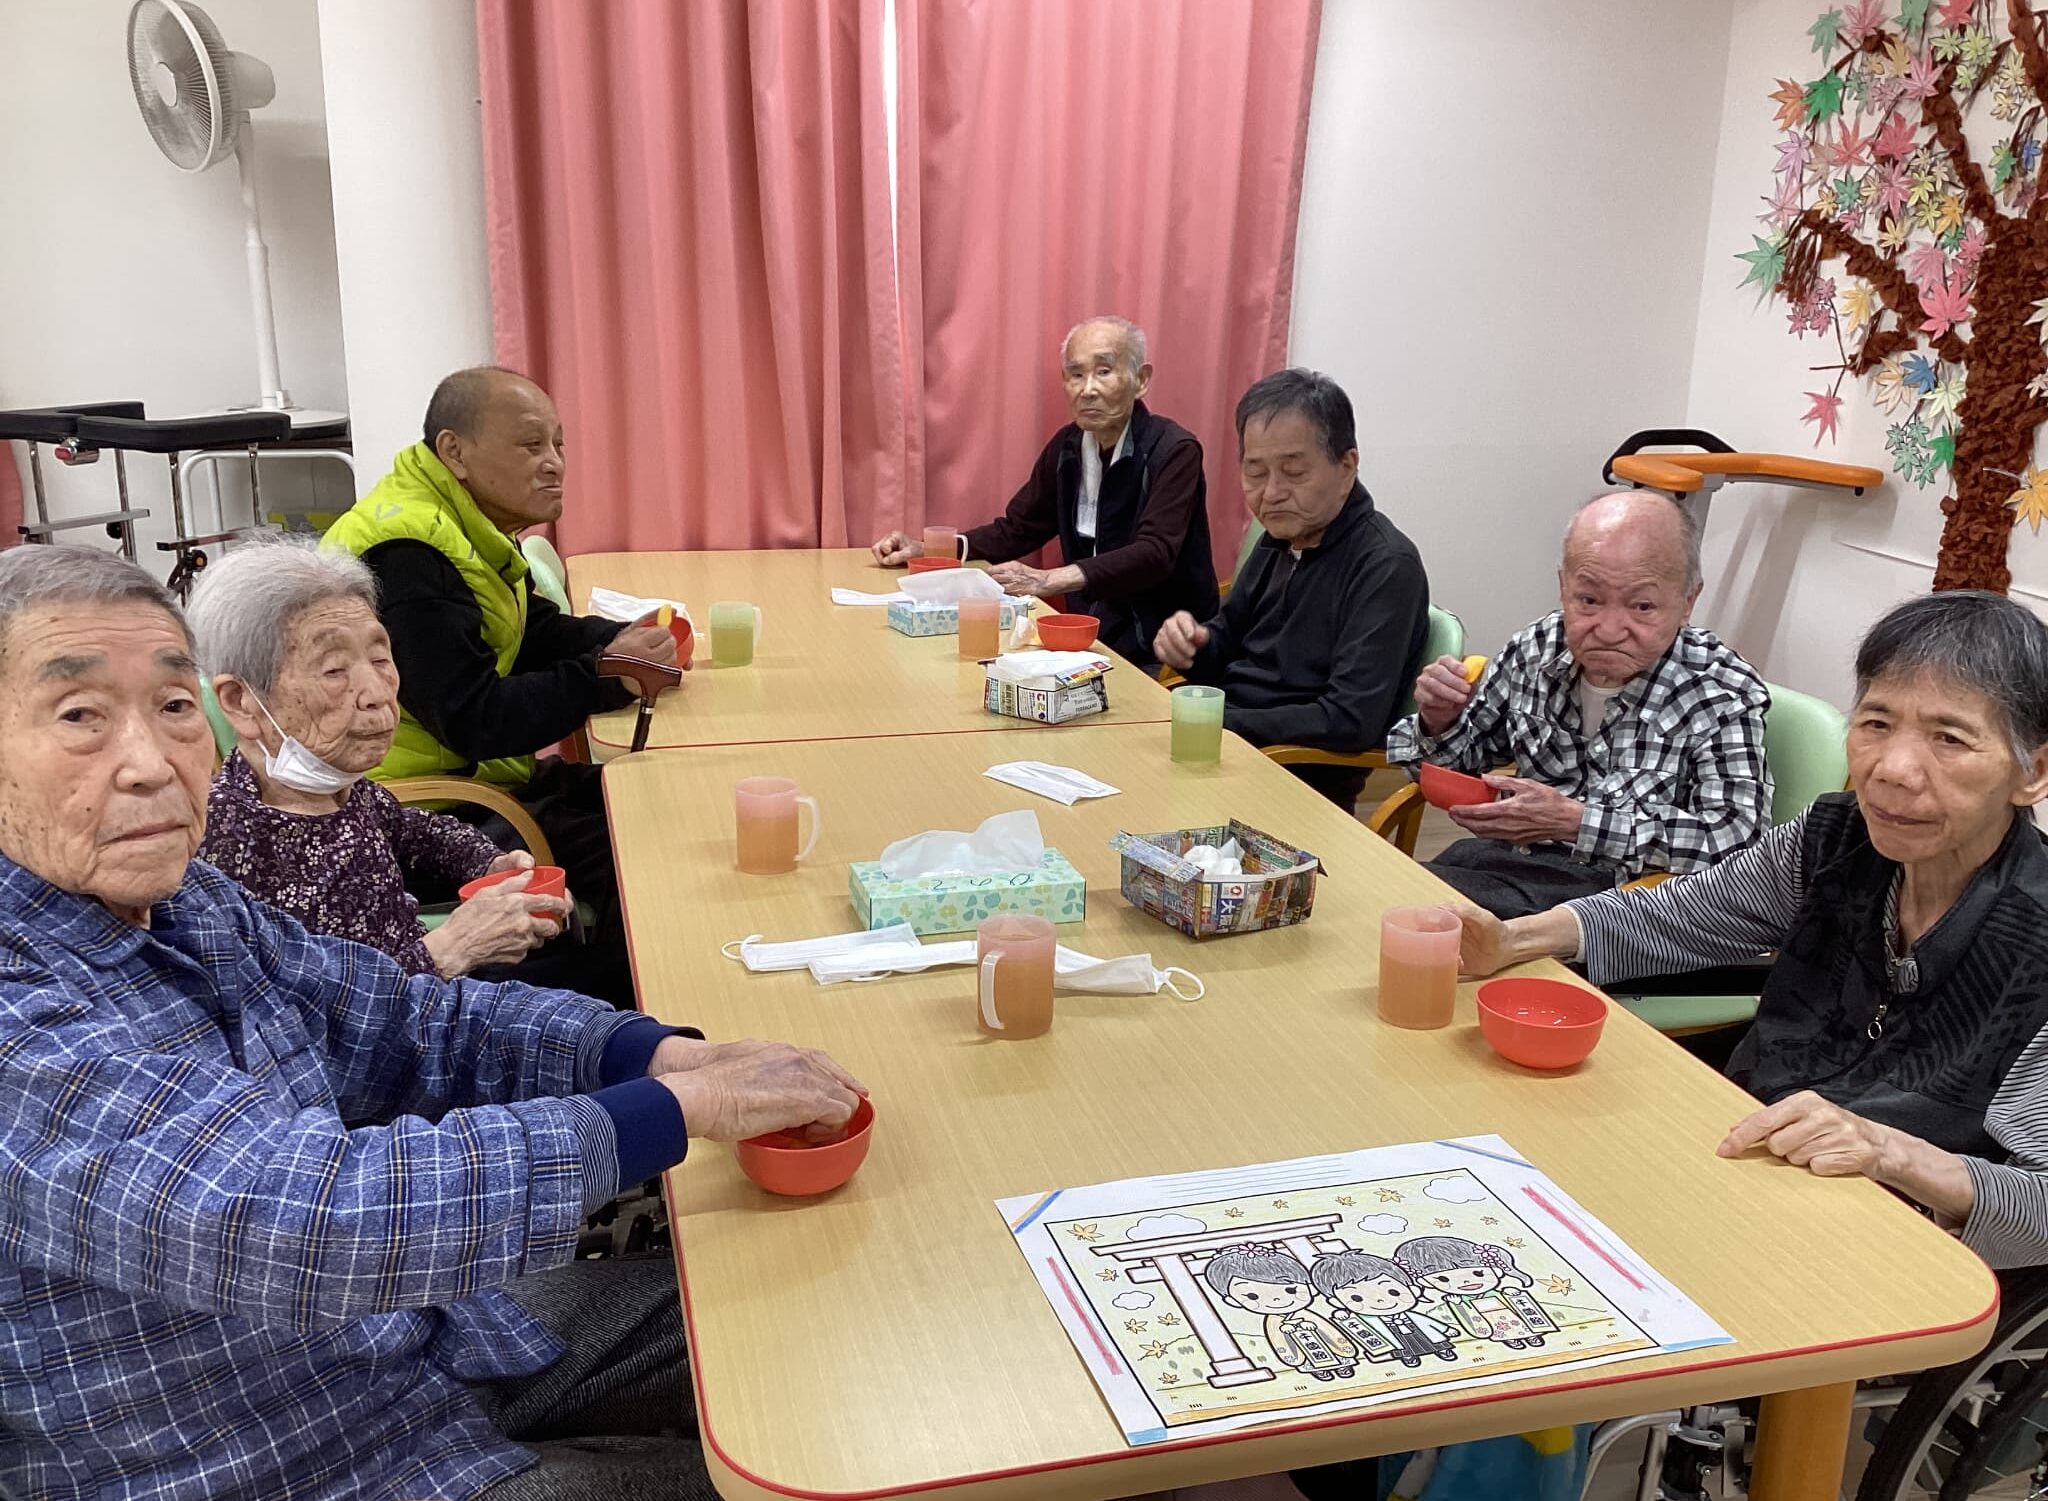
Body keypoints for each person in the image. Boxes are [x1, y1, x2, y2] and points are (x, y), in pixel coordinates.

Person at [0, 542, 863, 1498]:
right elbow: (314, 1217)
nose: (151, 764)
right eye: (80, 716)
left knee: (813, 1310)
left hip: (420, 1342)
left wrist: (647, 1049)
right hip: (290, 1462)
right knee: (808, 1476)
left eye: (170, 707)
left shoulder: (191, 901)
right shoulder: (22, 1008)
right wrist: (672, 1110)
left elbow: (404, 1021)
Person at [1456, 590, 2048, 1270]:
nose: (1891, 769)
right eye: (1877, 723)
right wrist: (1515, 940)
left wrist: (1889, 1149)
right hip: (1742, 1163)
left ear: (2031, 772)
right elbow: (1680, 913)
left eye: (1948, 738)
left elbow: (2040, 1203)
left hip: (1879, 1242)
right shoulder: (1837, 840)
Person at [323, 366, 679, 954]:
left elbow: (527, 628)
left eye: (559, 444)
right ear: (455, 452)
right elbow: (474, 718)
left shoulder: (460, 522)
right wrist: (605, 676)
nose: (555, 463)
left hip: (474, 778)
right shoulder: (408, 555)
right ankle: (619, 1014)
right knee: (640, 848)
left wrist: (620, 641)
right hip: (415, 809)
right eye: (530, 444)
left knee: (655, 792)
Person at [190, 536, 636, 1004]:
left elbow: (413, 830)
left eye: (380, 658)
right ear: (241, 702)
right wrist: (449, 948)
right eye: (334, 670)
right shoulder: (234, 846)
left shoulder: (333, 786)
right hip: (408, 1037)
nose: (377, 692)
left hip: (434, 997)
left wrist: (490, 862)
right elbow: (312, 1020)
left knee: (626, 966)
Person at [1384, 491, 1771, 918]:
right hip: (1506, 862)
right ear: (1563, 585)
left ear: (1686, 602)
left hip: (1618, 903)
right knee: (1380, 890)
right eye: (1588, 600)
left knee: (1409, 912)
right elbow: (1454, 766)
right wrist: (1440, 721)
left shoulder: (1717, 691)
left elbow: (1739, 843)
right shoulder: (1538, 647)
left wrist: (1577, 822)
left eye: (1642, 606)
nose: (1608, 629)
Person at [1153, 369, 1429, 812]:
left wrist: (1224, 723)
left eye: (1294, 471)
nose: (1273, 493)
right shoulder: (1281, 538)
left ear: (1346, 467)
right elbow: (1227, 639)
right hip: (1230, 752)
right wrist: (1192, 645)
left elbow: (1350, 720)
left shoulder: (1385, 565)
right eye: (1255, 472)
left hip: (1293, 781)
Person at [869, 316, 1217, 666]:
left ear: (1141, 380)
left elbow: (1154, 553)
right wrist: (926, 549)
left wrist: (1047, 580)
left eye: (1104, 372)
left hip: (1162, 645)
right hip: (1086, 638)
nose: (1088, 389)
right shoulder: (1068, 448)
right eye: (1076, 375)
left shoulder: (1174, 450)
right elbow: (1018, 529)